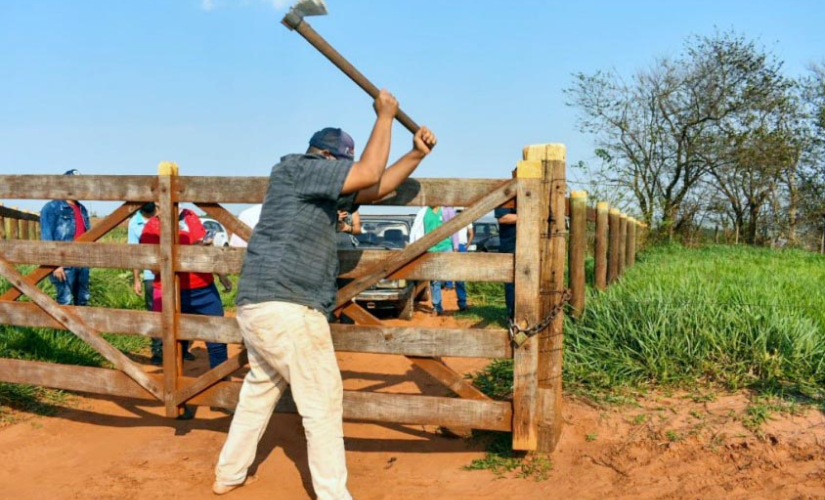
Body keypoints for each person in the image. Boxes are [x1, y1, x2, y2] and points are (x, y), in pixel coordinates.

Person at [213, 90, 437, 499]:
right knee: (322, 401)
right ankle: (334, 495)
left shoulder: (311, 181)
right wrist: (384, 115)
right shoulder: (300, 168)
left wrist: (415, 155)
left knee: (259, 391)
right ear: (329, 160)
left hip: (265, 306)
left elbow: (376, 187)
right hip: (288, 306)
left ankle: (228, 474)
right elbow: (369, 174)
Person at [139, 208, 229, 369]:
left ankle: (221, 383)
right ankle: (178, 388)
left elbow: (206, 247)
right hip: (172, 292)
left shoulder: (190, 215)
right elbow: (155, 269)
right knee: (174, 343)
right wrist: (187, 253)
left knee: (217, 338)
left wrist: (221, 274)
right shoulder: (151, 229)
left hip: (204, 288)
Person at [127, 202, 184, 366]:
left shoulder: (167, 217)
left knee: (178, 308)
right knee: (156, 314)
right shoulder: (134, 223)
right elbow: (135, 253)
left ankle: (181, 348)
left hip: (173, 273)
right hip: (150, 275)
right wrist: (136, 279)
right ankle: (158, 351)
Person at [40, 169, 91, 306]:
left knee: (83, 299)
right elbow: (46, 238)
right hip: (64, 263)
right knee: (65, 301)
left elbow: (88, 234)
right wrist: (55, 265)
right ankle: (62, 328)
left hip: (82, 261)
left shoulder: (82, 209)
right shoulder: (51, 207)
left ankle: (81, 328)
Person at [411, 205, 452, 316]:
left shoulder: (445, 210)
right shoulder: (424, 211)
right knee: (435, 279)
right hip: (431, 248)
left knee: (455, 275)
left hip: (446, 246)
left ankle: (462, 303)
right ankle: (437, 307)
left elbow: (453, 228)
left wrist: (455, 245)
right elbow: (415, 230)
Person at [495, 207, 517, 319]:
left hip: (528, 245)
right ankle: (512, 317)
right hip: (510, 246)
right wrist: (529, 216)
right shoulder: (504, 197)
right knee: (511, 284)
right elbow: (503, 218)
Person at [454, 212, 474, 312]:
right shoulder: (467, 217)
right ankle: (462, 303)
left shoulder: (452, 216)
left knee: (458, 275)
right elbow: (471, 234)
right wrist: (466, 246)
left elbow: (471, 234)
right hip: (461, 246)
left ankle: (438, 306)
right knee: (460, 275)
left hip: (455, 245)